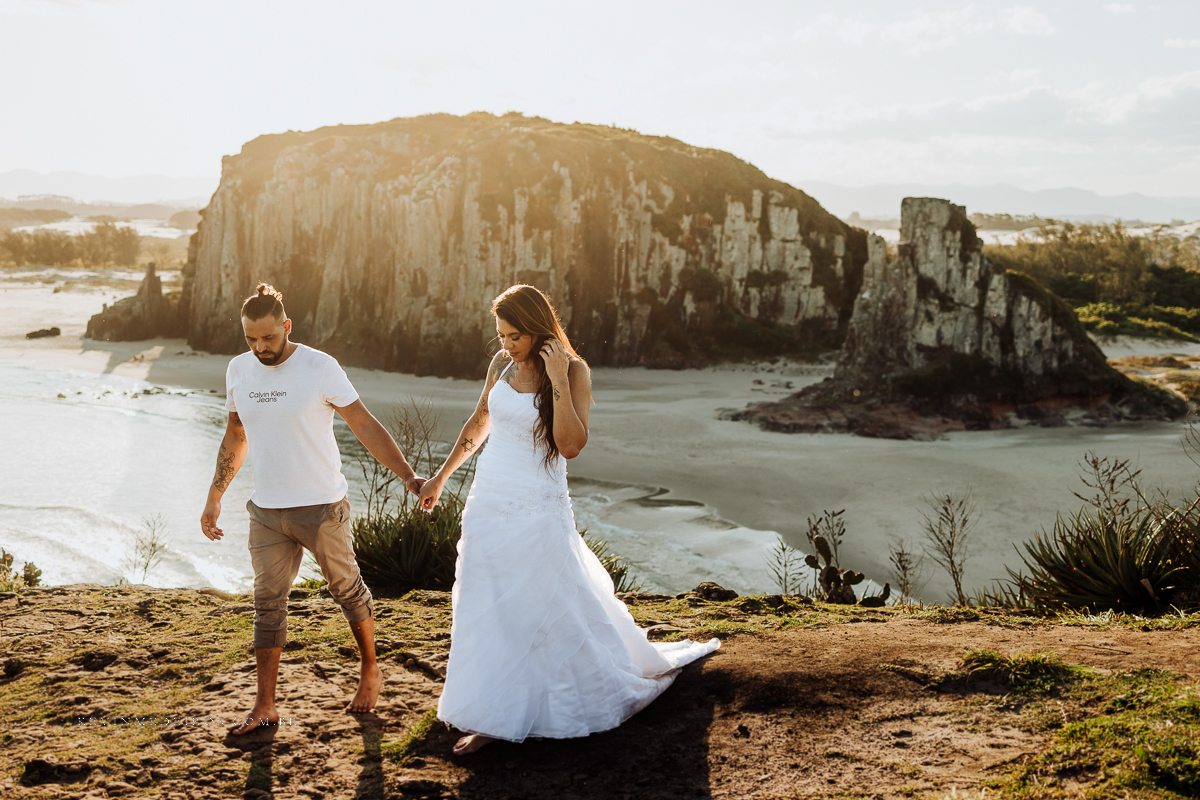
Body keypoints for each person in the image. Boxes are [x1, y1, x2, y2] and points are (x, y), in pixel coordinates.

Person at [417, 284, 719, 755]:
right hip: (489, 501)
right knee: (486, 602)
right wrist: (439, 478)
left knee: (541, 603)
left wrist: (557, 377)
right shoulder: (501, 365)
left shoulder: (574, 370)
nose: (507, 345)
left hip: (538, 507)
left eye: (515, 335)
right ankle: (491, 711)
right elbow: (479, 423)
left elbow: (571, 445)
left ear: (538, 329)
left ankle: (532, 707)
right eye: (501, 335)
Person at [200, 283, 425, 735]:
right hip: (266, 512)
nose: (259, 348)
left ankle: (370, 670)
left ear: (286, 326)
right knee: (267, 605)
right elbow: (235, 436)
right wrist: (214, 495)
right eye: (250, 339)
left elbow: (362, 422)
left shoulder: (320, 367)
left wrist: (407, 475)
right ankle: (265, 705)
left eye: (267, 337)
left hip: (322, 508)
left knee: (347, 591)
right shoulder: (238, 371)